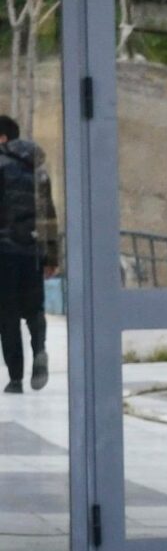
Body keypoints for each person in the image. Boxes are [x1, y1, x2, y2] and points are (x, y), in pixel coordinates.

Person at [0, 115, 58, 394]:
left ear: (2, 138)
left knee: (7, 314)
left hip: (4, 252)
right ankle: (40, 350)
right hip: (32, 251)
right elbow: (48, 216)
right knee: (34, 309)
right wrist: (51, 257)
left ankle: (15, 379)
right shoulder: (39, 171)